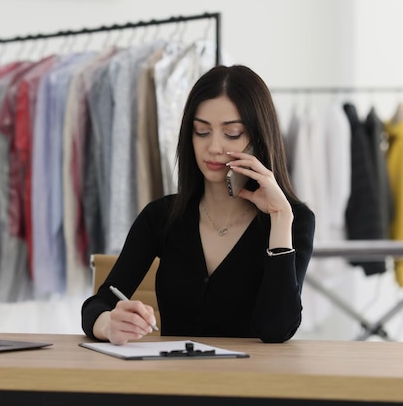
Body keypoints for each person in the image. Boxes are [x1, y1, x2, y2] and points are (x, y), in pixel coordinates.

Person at [81, 64, 315, 345]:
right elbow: (98, 304)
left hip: (252, 383)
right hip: (176, 382)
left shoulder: (293, 220)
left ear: (259, 140)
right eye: (202, 132)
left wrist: (279, 218)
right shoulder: (161, 216)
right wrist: (109, 324)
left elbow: (277, 328)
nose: (214, 147)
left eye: (232, 133)